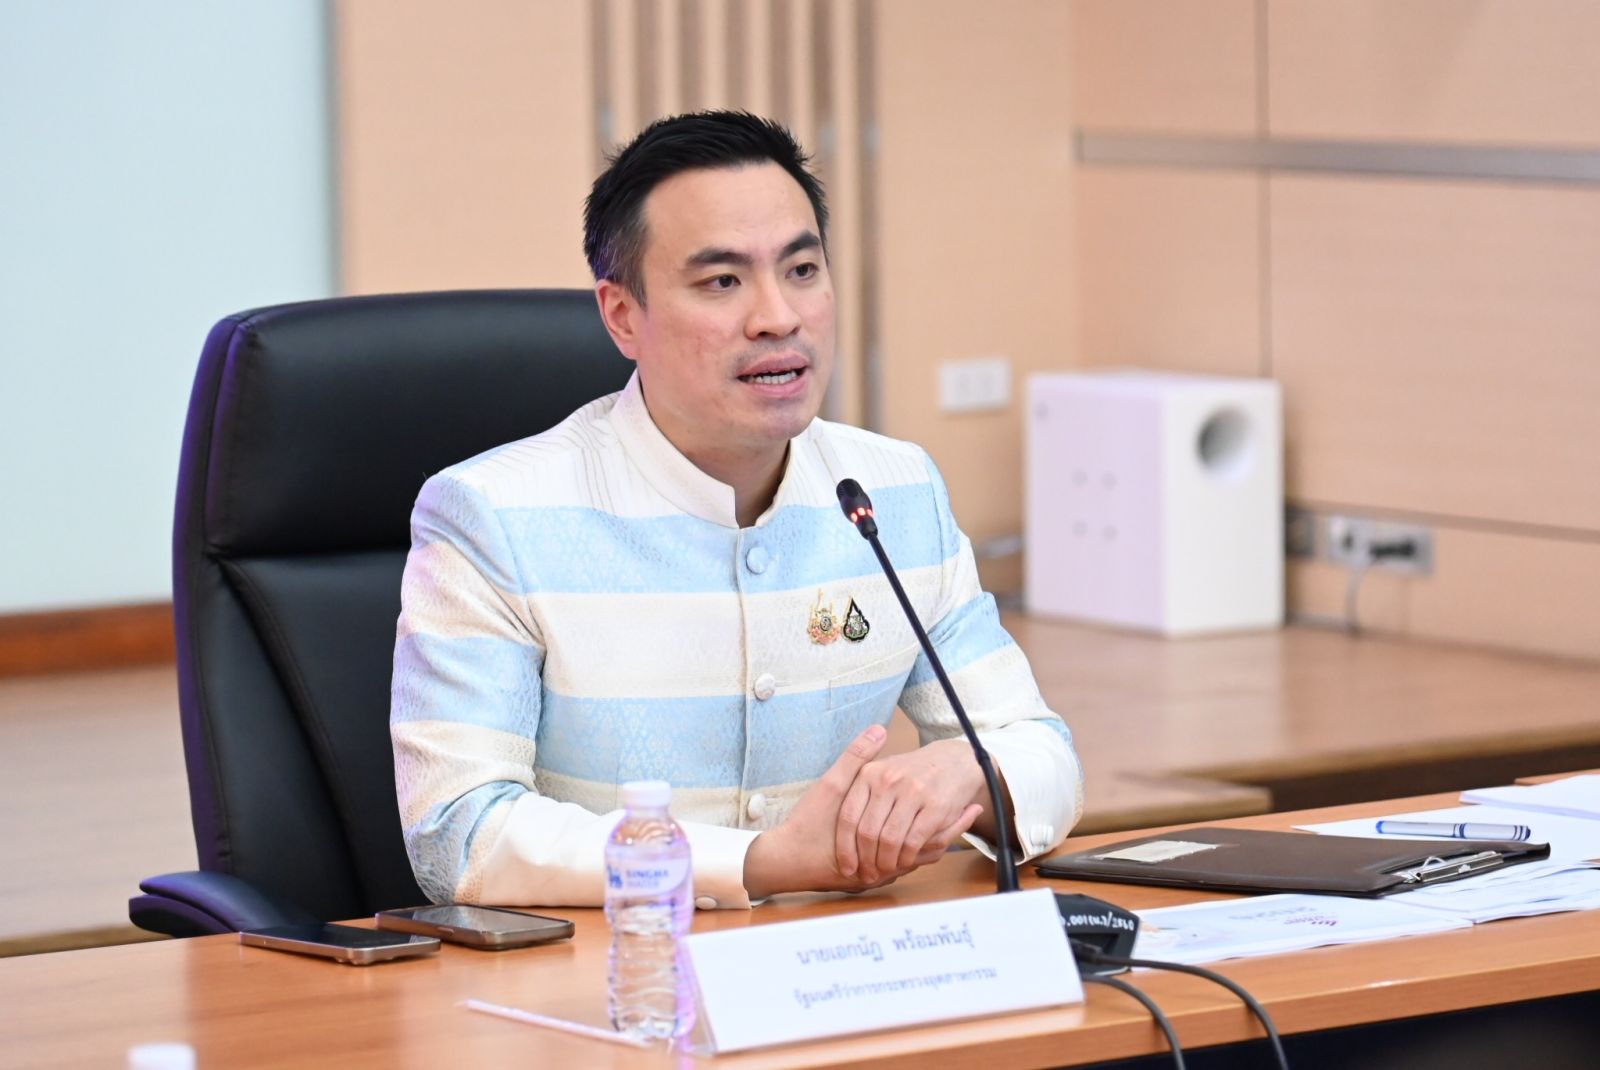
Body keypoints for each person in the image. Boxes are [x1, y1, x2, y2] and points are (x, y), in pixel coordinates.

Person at [391, 111, 1083, 910]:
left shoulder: (892, 492)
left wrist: (970, 770)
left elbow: (1045, 754)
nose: (778, 317)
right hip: (610, 971)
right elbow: (460, 835)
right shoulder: (492, 517)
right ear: (622, 315)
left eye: (802, 269)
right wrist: (759, 863)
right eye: (723, 282)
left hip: (839, 964)